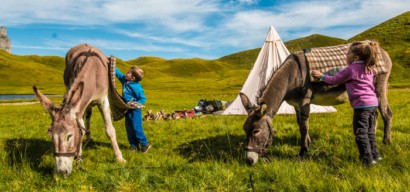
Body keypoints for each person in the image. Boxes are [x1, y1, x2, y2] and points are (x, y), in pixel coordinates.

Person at [311, 40, 382, 167]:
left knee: (361, 132)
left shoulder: (351, 69)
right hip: (373, 103)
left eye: (348, 53)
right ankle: (376, 155)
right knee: (370, 131)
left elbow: (334, 80)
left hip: (361, 105)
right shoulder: (369, 68)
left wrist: (321, 76)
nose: (346, 56)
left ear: (355, 57)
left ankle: (367, 160)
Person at [115, 65, 151, 154]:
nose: (126, 73)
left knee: (136, 127)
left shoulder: (137, 87)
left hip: (135, 110)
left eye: (128, 73)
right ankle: (133, 145)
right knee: (129, 128)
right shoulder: (125, 80)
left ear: (133, 78)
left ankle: (145, 143)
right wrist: (111, 63)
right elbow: (118, 74)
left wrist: (136, 103)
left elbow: (143, 98)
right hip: (127, 108)